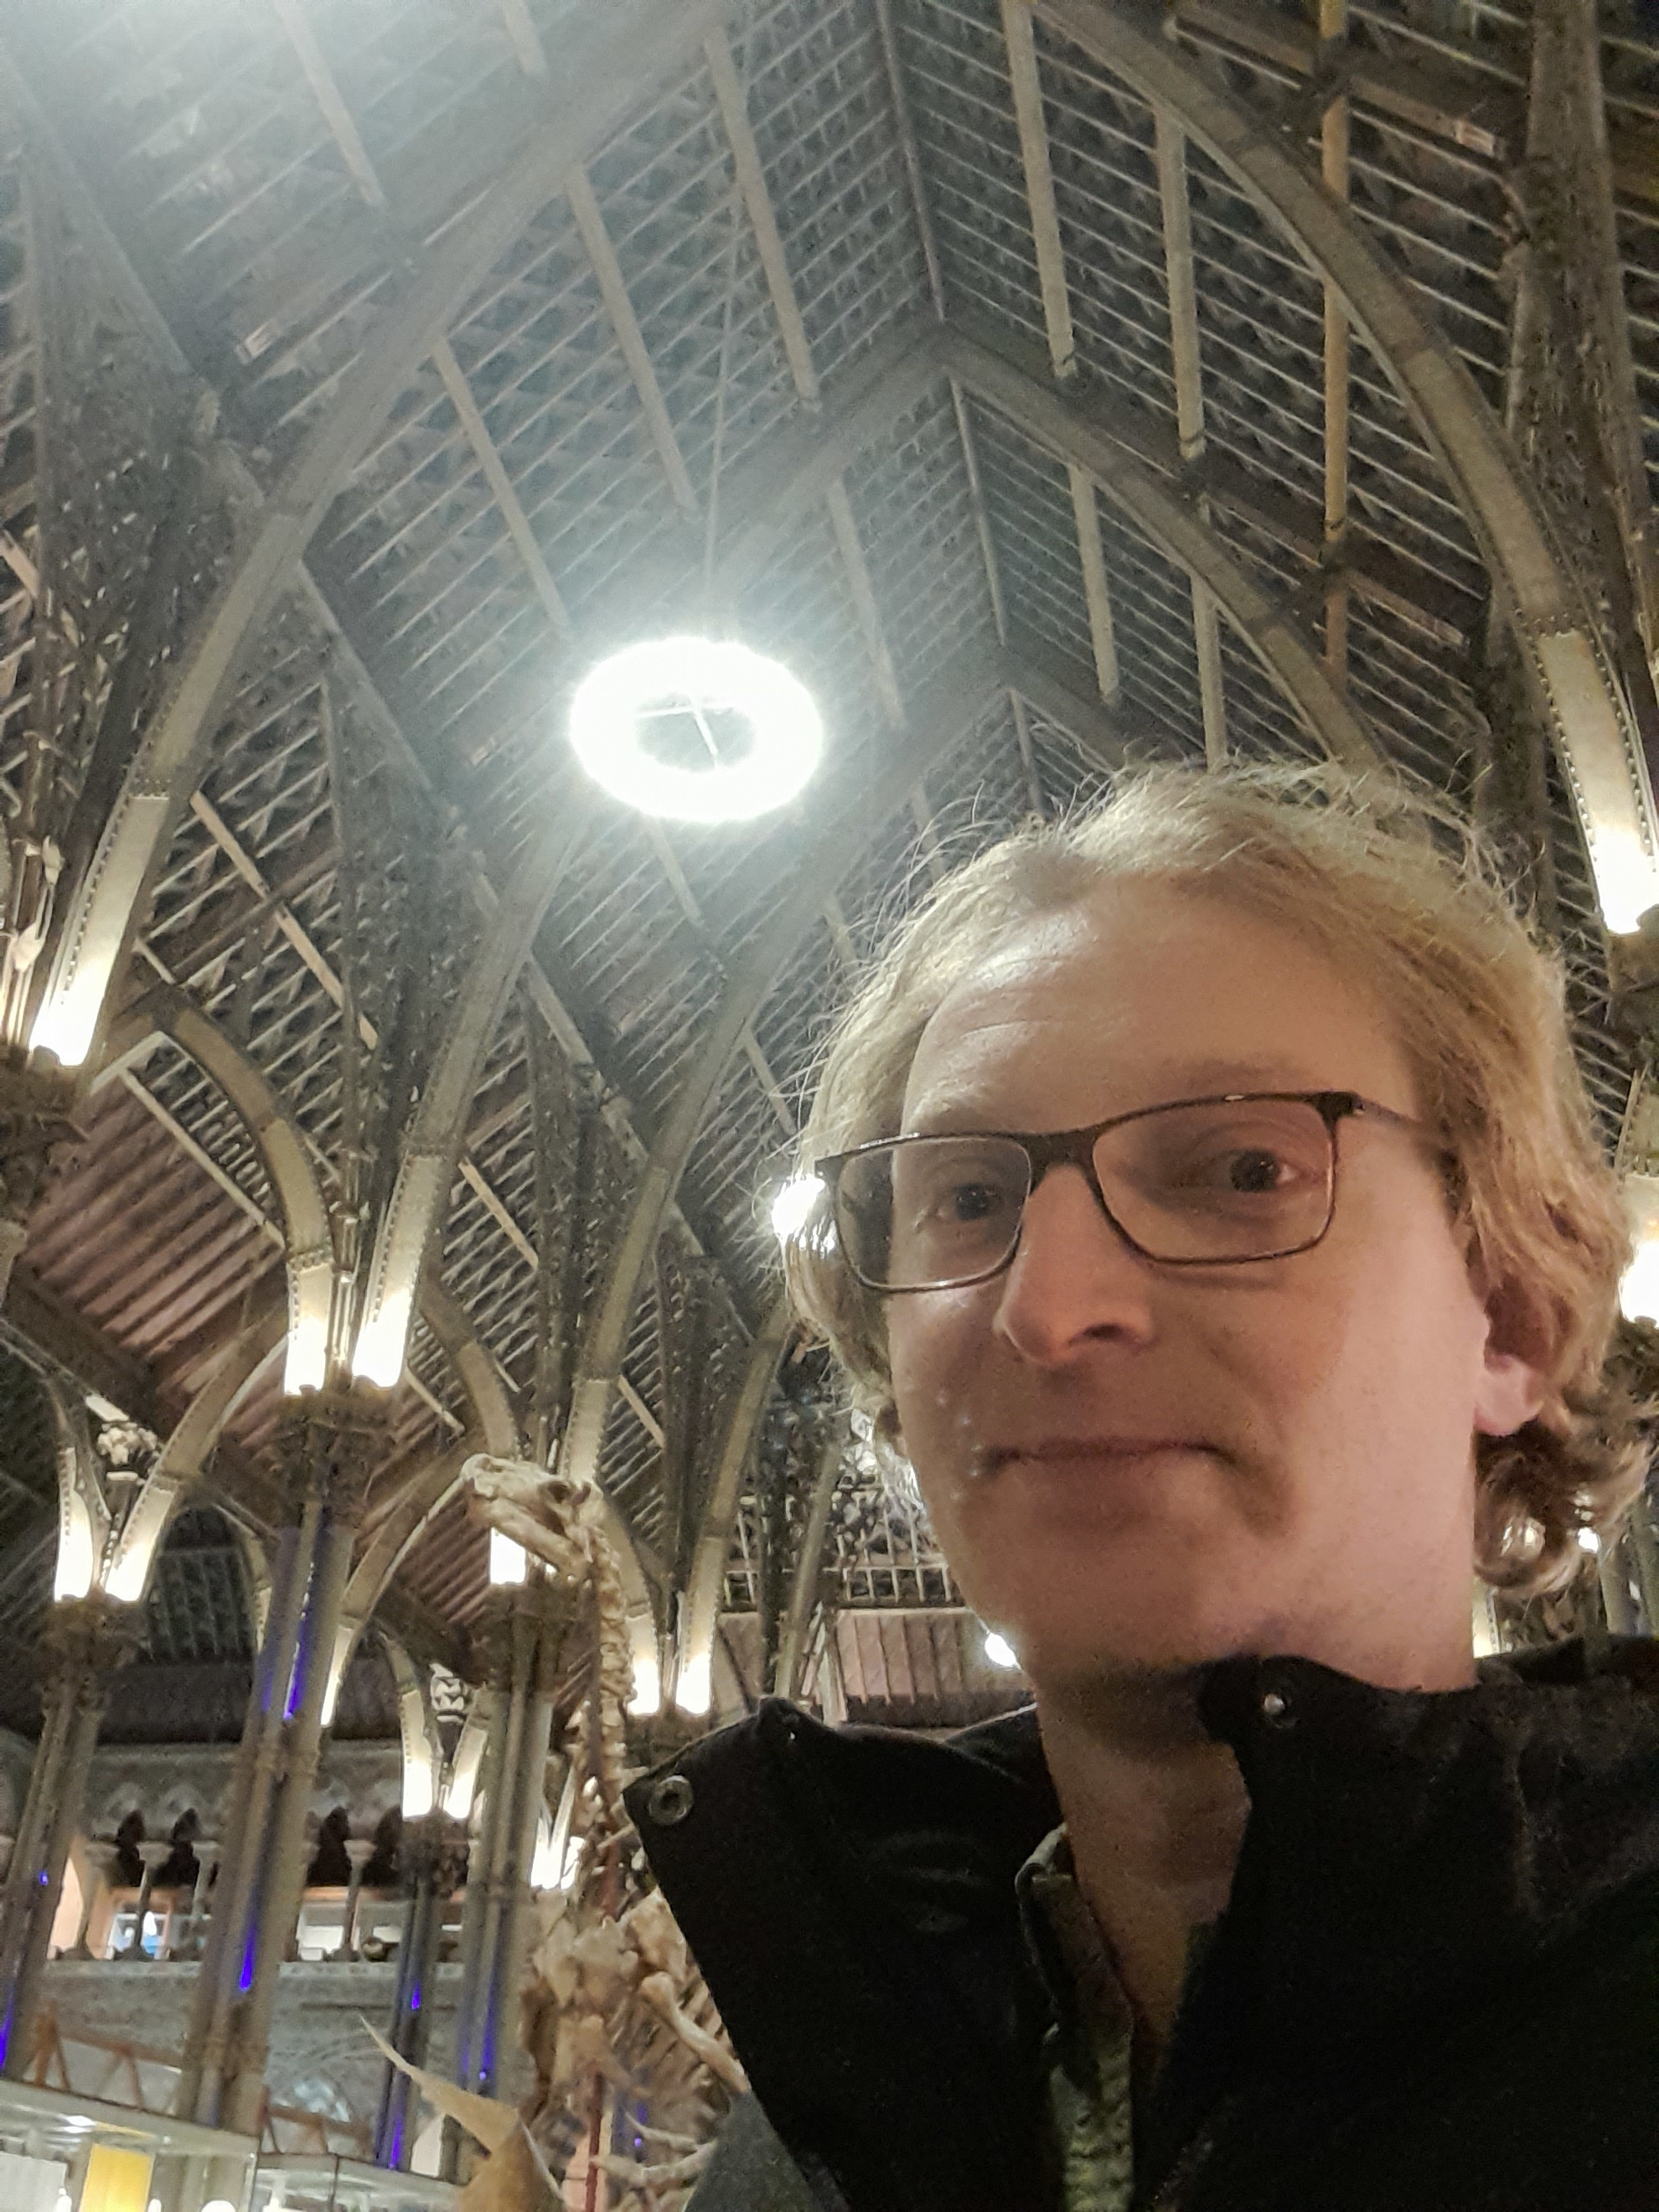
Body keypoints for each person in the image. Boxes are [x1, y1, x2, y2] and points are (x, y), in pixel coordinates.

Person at [626, 764, 1659, 2212]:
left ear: (1512, 1319)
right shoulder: (805, 2154)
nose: (1048, 1310)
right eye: (969, 1198)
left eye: (1240, 1168)